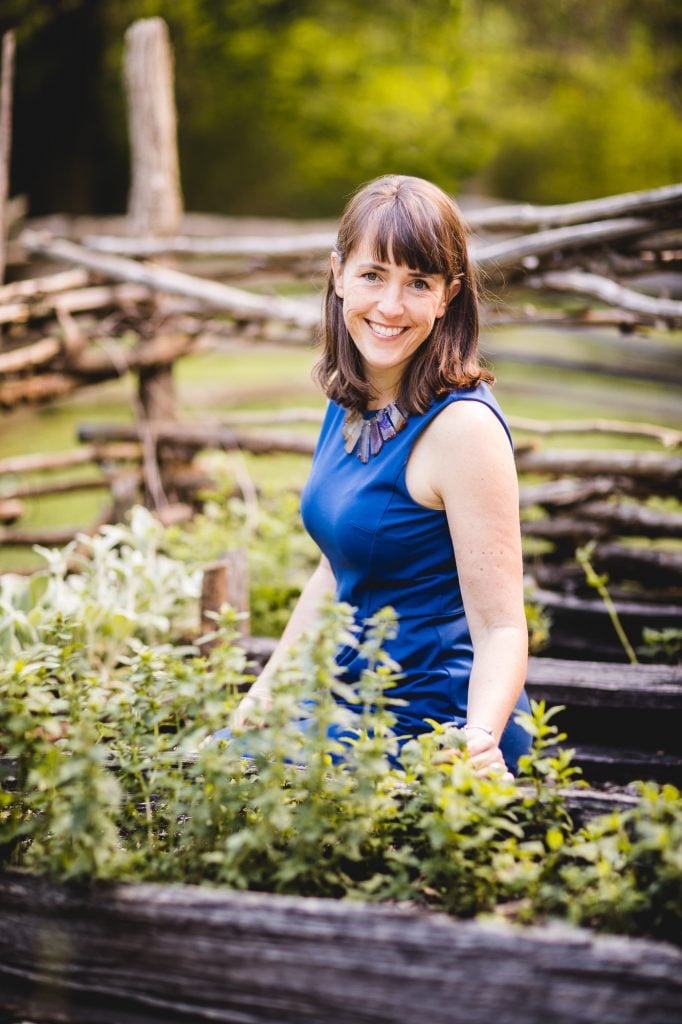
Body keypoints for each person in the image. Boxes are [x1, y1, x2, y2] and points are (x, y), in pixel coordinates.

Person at [229, 174, 531, 777]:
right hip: (349, 694)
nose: (390, 307)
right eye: (373, 275)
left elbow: (501, 627)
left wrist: (476, 742)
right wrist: (263, 696)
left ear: (447, 296)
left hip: (432, 716)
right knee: (220, 758)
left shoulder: (462, 430)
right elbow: (334, 570)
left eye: (417, 283)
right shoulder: (352, 399)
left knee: (237, 781)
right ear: (339, 274)